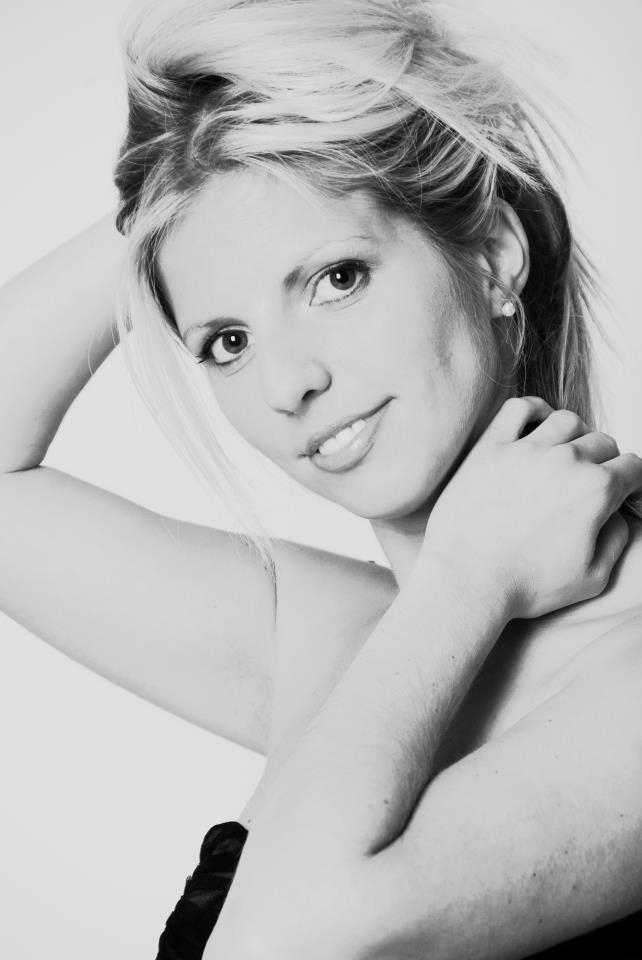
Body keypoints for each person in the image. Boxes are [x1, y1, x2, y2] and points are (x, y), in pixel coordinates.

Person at [1, 0, 641, 957]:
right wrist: (187, 171)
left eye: (336, 279)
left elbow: (295, 937)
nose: (287, 382)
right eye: (227, 340)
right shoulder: (329, 634)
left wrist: (466, 579)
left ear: (491, 253)